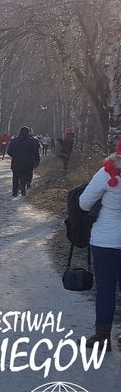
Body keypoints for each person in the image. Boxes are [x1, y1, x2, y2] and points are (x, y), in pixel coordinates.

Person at [78, 140, 121, 352]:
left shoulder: (107, 173)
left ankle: (103, 338)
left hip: (106, 241)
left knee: (105, 288)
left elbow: (84, 203)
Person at [6, 126, 40, 197]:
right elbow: (35, 152)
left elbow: (9, 151)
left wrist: (15, 156)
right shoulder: (32, 142)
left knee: (15, 177)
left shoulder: (14, 141)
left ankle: (14, 191)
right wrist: (37, 160)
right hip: (27, 162)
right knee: (24, 176)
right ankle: (22, 186)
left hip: (16, 162)